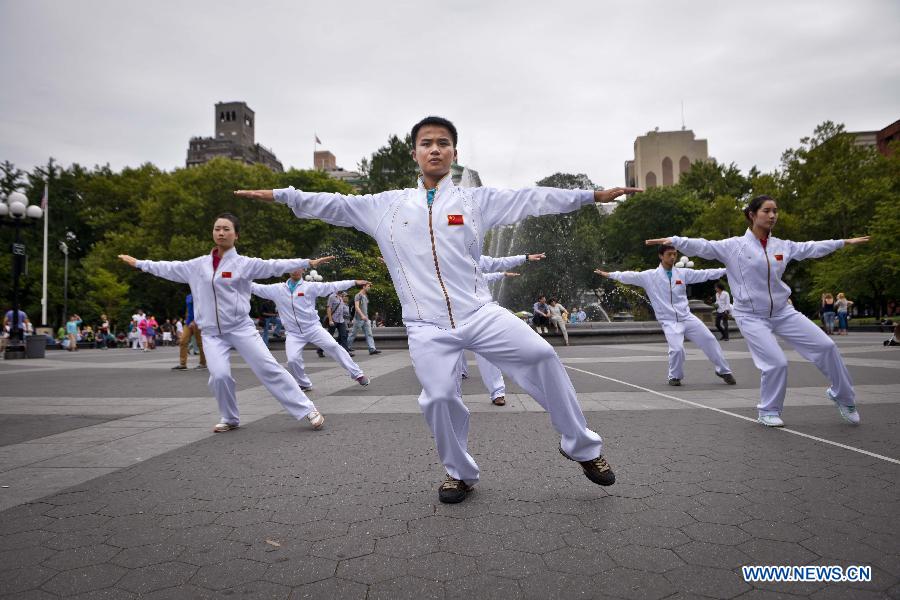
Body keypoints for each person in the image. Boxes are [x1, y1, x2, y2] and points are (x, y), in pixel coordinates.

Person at [235, 115, 640, 503]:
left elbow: (530, 199)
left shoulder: (475, 200)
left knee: (542, 353)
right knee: (439, 398)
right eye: (426, 143)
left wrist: (591, 196)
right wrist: (282, 195)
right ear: (414, 153)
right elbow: (331, 204)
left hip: (480, 313)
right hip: (426, 325)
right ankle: (460, 473)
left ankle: (581, 447)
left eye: (442, 143)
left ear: (454, 153)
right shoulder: (385, 206)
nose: (435, 150)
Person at [646, 194, 869, 427]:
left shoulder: (782, 246)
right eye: (766, 211)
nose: (772, 215)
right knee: (776, 362)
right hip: (750, 315)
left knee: (827, 347)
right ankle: (768, 410)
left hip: (783, 312)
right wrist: (675, 240)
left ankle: (842, 396)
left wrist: (843, 242)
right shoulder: (734, 246)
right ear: (752, 215)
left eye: (775, 211)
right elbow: (703, 245)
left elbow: (810, 248)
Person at [119, 213, 333, 432]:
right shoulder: (197, 265)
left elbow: (273, 265)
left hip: (241, 328)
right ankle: (230, 418)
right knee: (219, 375)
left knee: (269, 368)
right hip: (211, 333)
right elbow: (168, 268)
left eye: (226, 229)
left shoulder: (244, 264)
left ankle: (308, 409)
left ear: (236, 235)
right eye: (217, 228)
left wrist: (307, 262)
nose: (221, 232)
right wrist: (139, 264)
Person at [597, 246, 735, 387]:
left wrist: (726, 270)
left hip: (687, 317)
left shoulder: (682, 273)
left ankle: (724, 371)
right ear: (661, 256)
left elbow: (704, 274)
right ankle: (674, 376)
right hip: (669, 321)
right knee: (676, 349)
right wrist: (610, 274)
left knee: (710, 339)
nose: (673, 257)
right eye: (669, 254)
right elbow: (629, 276)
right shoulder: (649, 276)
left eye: (675, 254)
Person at [251, 267, 370, 391]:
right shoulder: (277, 289)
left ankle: (358, 374)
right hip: (293, 333)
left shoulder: (310, 287)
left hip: (313, 328)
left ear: (303, 270)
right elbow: (255, 288)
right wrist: (232, 278)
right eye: (292, 268)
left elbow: (332, 286)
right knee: (292, 360)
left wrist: (353, 282)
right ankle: (304, 383)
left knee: (334, 347)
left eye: (298, 268)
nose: (295, 270)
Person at [173, 294, 207, 371]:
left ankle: (203, 363)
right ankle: (183, 364)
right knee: (182, 341)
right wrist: (187, 319)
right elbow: (188, 310)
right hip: (188, 323)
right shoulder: (188, 296)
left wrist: (195, 321)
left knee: (200, 343)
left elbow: (203, 309)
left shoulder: (201, 295)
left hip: (198, 322)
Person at [347, 282, 381, 355]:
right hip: (359, 319)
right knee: (353, 334)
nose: (369, 288)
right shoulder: (358, 295)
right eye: (368, 286)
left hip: (365, 319)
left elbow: (365, 308)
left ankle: (372, 349)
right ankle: (346, 347)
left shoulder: (365, 296)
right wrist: (362, 315)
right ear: (363, 286)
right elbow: (356, 307)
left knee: (369, 334)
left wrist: (366, 317)